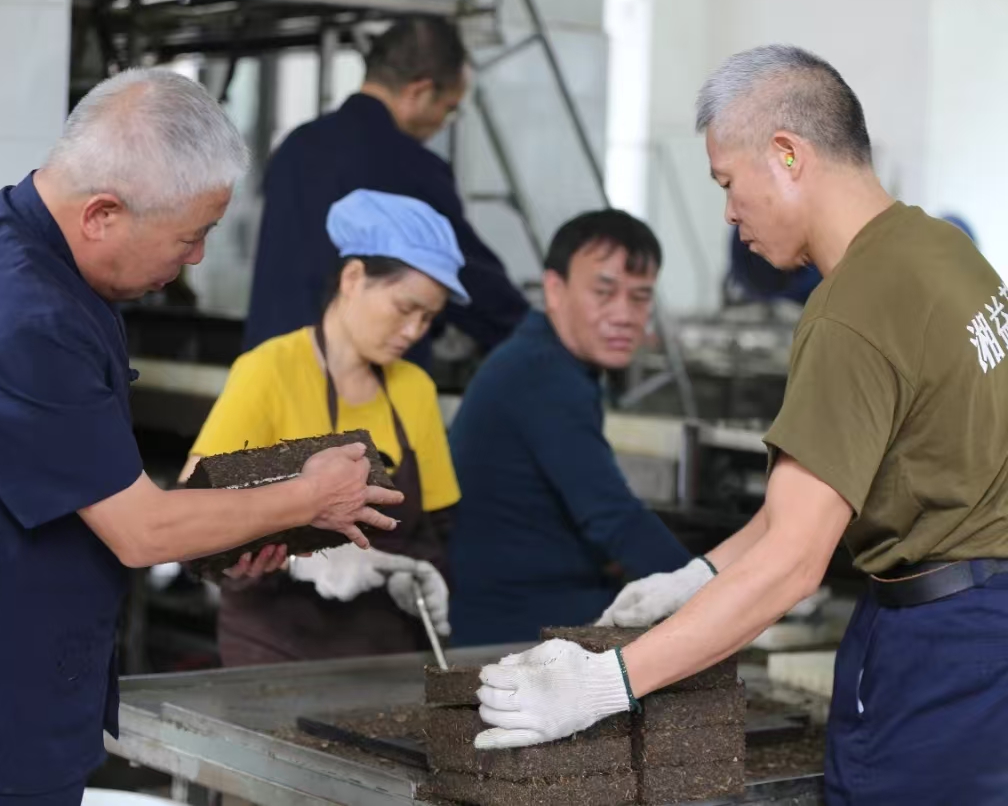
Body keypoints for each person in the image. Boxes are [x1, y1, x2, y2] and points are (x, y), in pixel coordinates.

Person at [472, 45, 1008, 805]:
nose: (728, 212)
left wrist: (606, 682)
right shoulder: (942, 250)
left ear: (787, 154)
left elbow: (794, 561)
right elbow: (814, 498)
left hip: (940, 652)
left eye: (727, 182)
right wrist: (697, 577)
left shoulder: (852, 310)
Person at [0, 69, 403, 806]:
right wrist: (308, 497)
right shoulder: (23, 315)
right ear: (103, 214)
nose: (197, 258)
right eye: (191, 236)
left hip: (4, 691)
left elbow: (92, 487)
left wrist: (235, 528)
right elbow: (141, 530)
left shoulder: (26, 238)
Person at [182, 189, 463, 665]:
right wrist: (301, 562)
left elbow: (434, 531)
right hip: (275, 655)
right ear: (353, 278)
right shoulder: (271, 370)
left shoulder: (413, 389)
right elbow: (194, 513)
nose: (414, 331)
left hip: (384, 655)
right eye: (404, 308)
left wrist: (416, 576)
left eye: (428, 318)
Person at [444, 210, 692, 646]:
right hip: (514, 631)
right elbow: (614, 519)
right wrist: (716, 597)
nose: (624, 315)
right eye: (604, 292)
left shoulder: (544, 360)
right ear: (554, 290)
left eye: (640, 297)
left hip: (531, 609)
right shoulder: (542, 374)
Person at [243, 15, 529, 371]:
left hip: (271, 368)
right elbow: (468, 278)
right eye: (448, 109)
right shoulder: (413, 167)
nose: (443, 122)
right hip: (355, 383)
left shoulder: (295, 147)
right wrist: (535, 337)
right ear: (420, 92)